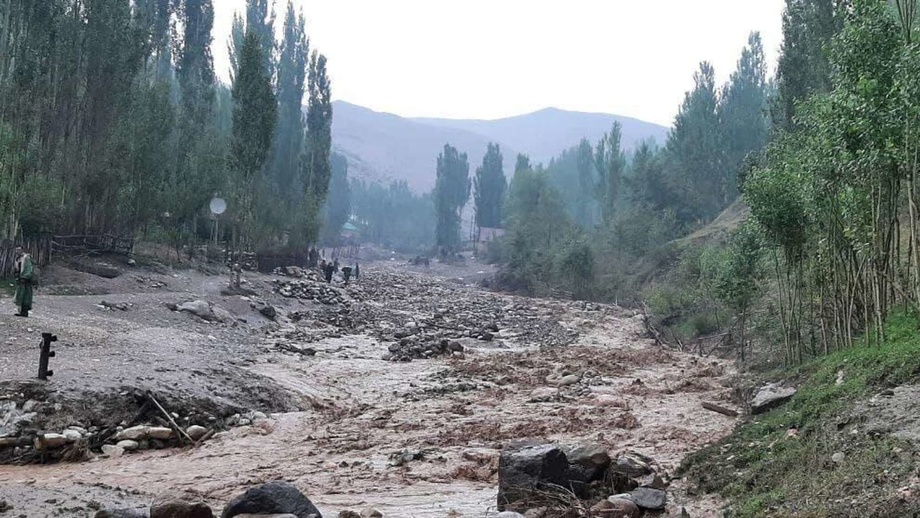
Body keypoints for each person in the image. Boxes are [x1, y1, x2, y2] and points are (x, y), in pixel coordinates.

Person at [13, 247, 34, 317]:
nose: (17, 251)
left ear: (22, 250)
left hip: (26, 281)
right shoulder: (18, 259)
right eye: (16, 250)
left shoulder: (26, 258)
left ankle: (25, 312)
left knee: (26, 296)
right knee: (20, 296)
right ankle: (21, 311)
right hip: (20, 280)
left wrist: (25, 277)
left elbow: (29, 268)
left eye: (18, 250)